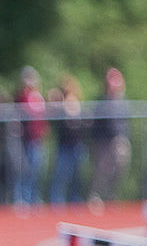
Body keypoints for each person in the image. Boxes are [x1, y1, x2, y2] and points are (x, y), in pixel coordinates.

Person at [86, 67, 131, 211]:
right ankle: (96, 196)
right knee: (101, 170)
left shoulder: (123, 102)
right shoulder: (102, 101)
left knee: (119, 169)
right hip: (103, 141)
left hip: (119, 140)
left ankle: (112, 196)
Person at [46, 74, 87, 207]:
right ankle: (56, 200)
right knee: (60, 175)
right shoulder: (60, 103)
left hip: (77, 144)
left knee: (77, 176)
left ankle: (75, 199)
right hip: (64, 145)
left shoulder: (76, 103)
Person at [12, 66, 47, 209]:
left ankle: (34, 198)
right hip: (25, 140)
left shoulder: (38, 97)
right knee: (23, 169)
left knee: (36, 170)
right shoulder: (22, 97)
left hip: (37, 139)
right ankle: (21, 198)